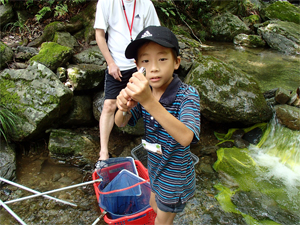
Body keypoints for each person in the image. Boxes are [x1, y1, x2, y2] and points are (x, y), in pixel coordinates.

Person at [115, 26, 200, 225]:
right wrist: (122, 107)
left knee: (162, 221)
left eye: (162, 59)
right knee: (153, 205)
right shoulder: (146, 93)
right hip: (155, 169)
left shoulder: (187, 95)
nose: (153, 67)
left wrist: (148, 102)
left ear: (176, 62)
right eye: (145, 61)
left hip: (175, 180)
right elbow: (120, 123)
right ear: (138, 66)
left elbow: (187, 137)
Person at [93, 0, 160, 167]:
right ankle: (103, 153)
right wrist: (110, 63)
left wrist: (147, 65)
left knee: (152, 102)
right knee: (109, 105)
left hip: (140, 64)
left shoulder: (146, 4)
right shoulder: (106, 3)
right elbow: (99, 35)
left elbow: (154, 35)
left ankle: (157, 146)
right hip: (117, 65)